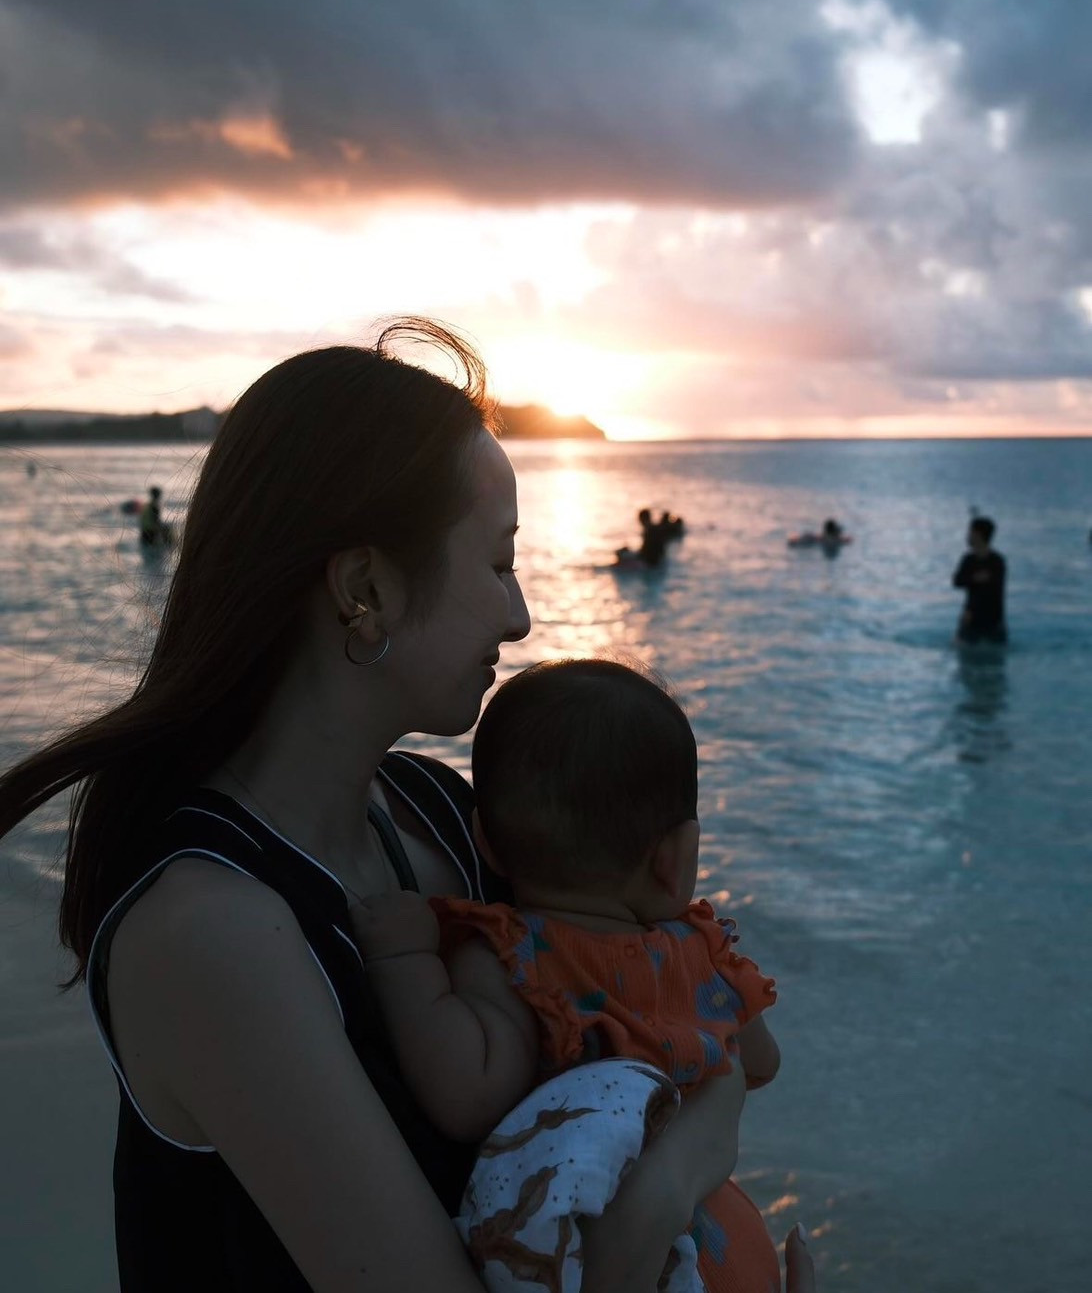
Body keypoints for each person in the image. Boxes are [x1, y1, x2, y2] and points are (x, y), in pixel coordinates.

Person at [0, 320, 812, 1293]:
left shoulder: (434, 811)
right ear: (365, 589)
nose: (520, 615)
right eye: (500, 561)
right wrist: (683, 1168)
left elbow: (640, 1033)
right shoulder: (209, 931)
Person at [352, 658, 783, 1293]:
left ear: (486, 844)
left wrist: (403, 964)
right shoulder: (703, 951)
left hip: (623, 1258)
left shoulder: (513, 961)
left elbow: (466, 1096)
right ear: (676, 859)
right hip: (723, 1248)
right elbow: (761, 1063)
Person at [953, 516, 1007, 644]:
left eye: (970, 532)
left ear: (978, 534)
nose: (968, 536)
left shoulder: (997, 561)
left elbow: (994, 590)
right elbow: (957, 581)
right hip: (970, 618)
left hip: (992, 619)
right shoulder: (968, 559)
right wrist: (975, 578)